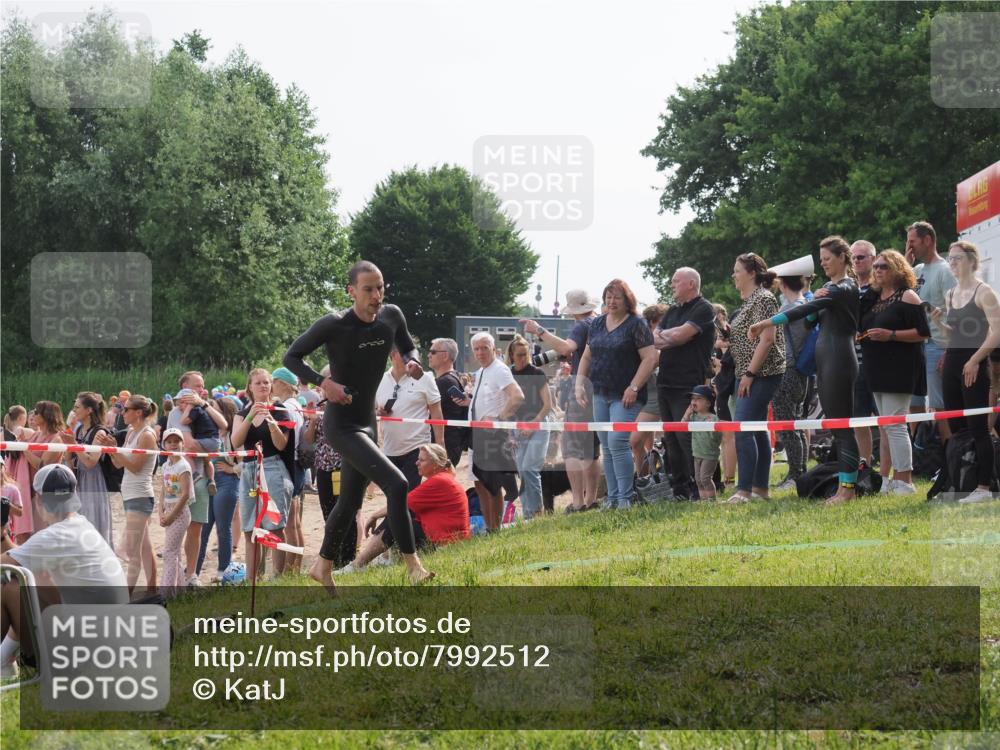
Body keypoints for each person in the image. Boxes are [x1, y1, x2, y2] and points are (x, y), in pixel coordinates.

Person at [283, 260, 434, 591]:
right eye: (368, 289)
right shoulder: (334, 324)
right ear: (352, 291)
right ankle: (414, 567)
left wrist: (413, 360)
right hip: (341, 424)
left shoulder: (391, 316)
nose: (376, 295)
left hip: (368, 422)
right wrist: (325, 383)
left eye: (380, 288)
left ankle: (322, 567)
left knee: (350, 502)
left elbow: (407, 344)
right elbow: (291, 357)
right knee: (396, 484)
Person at [750, 236, 860, 505]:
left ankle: (847, 490)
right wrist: (817, 301)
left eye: (828, 259)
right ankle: (846, 487)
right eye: (821, 260)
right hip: (824, 359)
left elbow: (805, 310)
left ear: (843, 258)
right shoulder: (828, 290)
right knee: (836, 427)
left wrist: (767, 322)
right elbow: (811, 320)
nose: (824, 265)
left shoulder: (845, 287)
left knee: (842, 427)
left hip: (839, 359)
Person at [1, 464, 128, 673]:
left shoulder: (56, 535)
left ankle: (4, 661)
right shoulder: (80, 525)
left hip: (88, 648)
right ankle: (5, 658)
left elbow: (5, 563)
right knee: (31, 580)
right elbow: (24, 562)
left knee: (10, 587)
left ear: (39, 499)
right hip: (110, 641)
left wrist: (2, 533)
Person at [576, 279, 657, 510]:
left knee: (618, 441)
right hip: (599, 392)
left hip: (626, 396)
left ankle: (626, 498)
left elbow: (650, 358)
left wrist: (633, 387)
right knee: (607, 446)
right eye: (608, 297)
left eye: (617, 297)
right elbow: (586, 356)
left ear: (627, 300)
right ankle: (612, 498)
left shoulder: (636, 324)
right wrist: (579, 384)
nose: (611, 301)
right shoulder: (598, 323)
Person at [522, 289, 602, 512]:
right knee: (592, 450)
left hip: (582, 390)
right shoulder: (599, 322)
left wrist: (538, 330)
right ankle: (591, 499)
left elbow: (567, 347)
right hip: (599, 390)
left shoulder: (582, 325)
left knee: (572, 449)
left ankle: (577, 502)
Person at [858, 250, 930, 495]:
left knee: (896, 424)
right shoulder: (874, 297)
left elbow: (923, 332)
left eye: (884, 267)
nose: (878, 270)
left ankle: (905, 480)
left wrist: (891, 335)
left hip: (899, 369)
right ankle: (892, 479)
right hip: (875, 369)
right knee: (887, 425)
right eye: (876, 266)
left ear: (898, 269)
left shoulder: (908, 296)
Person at [339, 444, 470, 573]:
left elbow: (400, 504)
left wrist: (374, 516)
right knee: (404, 517)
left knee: (396, 519)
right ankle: (384, 559)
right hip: (450, 539)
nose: (417, 463)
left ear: (435, 464)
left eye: (422, 460)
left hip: (445, 542)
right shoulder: (445, 478)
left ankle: (357, 565)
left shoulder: (439, 481)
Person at [936, 241, 1000, 503]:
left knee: (978, 427)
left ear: (972, 261)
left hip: (974, 362)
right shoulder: (951, 294)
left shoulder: (984, 292)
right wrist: (937, 322)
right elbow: (953, 335)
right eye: (949, 259)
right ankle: (963, 480)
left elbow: (997, 332)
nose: (952, 263)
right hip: (953, 361)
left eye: (957, 258)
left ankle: (985, 486)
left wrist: (975, 360)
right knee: (956, 427)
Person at [652, 268, 717, 498]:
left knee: (687, 436)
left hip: (688, 384)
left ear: (691, 284)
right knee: (670, 438)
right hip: (665, 382)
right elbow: (657, 339)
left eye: (675, 281)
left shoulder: (703, 308)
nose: (672, 285)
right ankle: (679, 488)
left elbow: (676, 337)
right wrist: (675, 336)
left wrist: (673, 336)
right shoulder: (672, 311)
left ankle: (701, 486)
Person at [728, 254, 786, 503]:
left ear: (752, 273)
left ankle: (745, 490)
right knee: (757, 429)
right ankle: (760, 489)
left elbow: (768, 338)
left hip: (762, 374)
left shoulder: (763, 298)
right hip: (751, 373)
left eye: (737, 270)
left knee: (742, 429)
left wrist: (750, 374)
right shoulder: (751, 300)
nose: (733, 275)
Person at [231, 368, 295, 580]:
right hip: (249, 470)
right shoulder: (241, 414)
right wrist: (251, 415)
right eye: (258, 383)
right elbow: (236, 442)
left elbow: (281, 445)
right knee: (250, 529)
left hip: (273, 467)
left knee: (275, 526)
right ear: (250, 386)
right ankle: (252, 580)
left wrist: (271, 421)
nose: (263, 386)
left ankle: (278, 578)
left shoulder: (280, 410)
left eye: (267, 382)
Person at [95, 394, 158, 595]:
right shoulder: (132, 432)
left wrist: (115, 449)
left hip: (140, 495)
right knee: (144, 547)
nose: (123, 412)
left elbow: (135, 467)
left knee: (132, 551)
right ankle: (152, 588)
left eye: (127, 409)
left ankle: (127, 594)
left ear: (138, 413)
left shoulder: (147, 435)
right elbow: (119, 464)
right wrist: (113, 449)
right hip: (130, 494)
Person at [464, 331, 524, 530]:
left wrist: (498, 419)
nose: (480, 353)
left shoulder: (499, 369)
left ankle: (495, 528)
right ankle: (490, 526)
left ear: (494, 350)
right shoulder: (481, 371)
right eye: (477, 349)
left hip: (492, 435)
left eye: (484, 348)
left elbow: (517, 396)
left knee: (492, 483)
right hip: (477, 434)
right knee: (479, 483)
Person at [768, 256, 815, 492]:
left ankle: (796, 475)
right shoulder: (805, 303)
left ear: (782, 284)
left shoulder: (788, 309)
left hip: (787, 371)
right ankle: (800, 472)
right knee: (795, 425)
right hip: (801, 372)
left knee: (787, 426)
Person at [907, 221, 956, 440]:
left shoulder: (945, 271)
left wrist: (950, 351)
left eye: (912, 241)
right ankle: (917, 454)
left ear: (927, 241)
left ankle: (949, 459)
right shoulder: (916, 270)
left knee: (938, 407)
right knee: (914, 404)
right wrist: (905, 265)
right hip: (916, 344)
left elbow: (957, 312)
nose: (909, 247)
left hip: (938, 345)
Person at [375, 348, 445, 490]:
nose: (412, 358)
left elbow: (436, 413)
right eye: (406, 354)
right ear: (392, 355)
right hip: (390, 448)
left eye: (414, 354)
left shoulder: (425, 378)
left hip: (417, 448)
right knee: (393, 494)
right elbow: (372, 411)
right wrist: (379, 412)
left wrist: (440, 445)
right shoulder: (380, 380)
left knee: (409, 495)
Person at [195, 396, 243, 580]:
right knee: (203, 529)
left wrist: (232, 469)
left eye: (213, 409)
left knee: (223, 528)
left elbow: (248, 461)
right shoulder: (210, 432)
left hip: (227, 483)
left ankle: (224, 572)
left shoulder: (233, 434)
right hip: (209, 482)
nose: (209, 413)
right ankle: (193, 572)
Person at [508, 334, 553, 520]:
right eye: (519, 355)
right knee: (523, 472)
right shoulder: (508, 375)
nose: (523, 358)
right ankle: (528, 515)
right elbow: (508, 405)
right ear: (511, 355)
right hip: (518, 427)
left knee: (529, 469)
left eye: (525, 354)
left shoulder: (537, 373)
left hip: (539, 424)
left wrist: (533, 426)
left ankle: (536, 512)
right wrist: (510, 433)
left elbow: (548, 405)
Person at [270, 367, 307, 573]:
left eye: (273, 381)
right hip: (298, 464)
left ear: (282, 383)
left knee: (290, 523)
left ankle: (291, 569)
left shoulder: (286, 407)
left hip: (290, 463)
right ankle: (295, 567)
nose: (271, 385)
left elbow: (286, 440)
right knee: (296, 522)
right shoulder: (296, 405)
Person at [70, 392, 114, 548]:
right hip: (80, 480)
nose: (74, 410)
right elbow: (75, 460)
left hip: (94, 482)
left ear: (89, 410)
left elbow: (91, 462)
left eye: (77, 407)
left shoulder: (99, 432)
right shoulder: (79, 429)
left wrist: (73, 445)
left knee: (93, 521)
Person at [851, 240, 879, 466]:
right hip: (854, 363)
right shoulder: (848, 289)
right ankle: (865, 466)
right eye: (853, 257)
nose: (857, 261)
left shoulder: (881, 288)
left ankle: (891, 473)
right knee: (859, 419)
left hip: (880, 362)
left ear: (873, 259)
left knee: (887, 420)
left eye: (861, 257)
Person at [632, 304, 667, 478]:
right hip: (642, 395)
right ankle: (646, 478)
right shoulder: (646, 340)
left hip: (653, 397)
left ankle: (643, 478)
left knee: (635, 440)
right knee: (645, 443)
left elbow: (652, 362)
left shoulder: (660, 344)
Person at [159, 428, 193, 597]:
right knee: (175, 552)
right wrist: (161, 512)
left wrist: (171, 516)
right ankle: (180, 591)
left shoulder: (183, 466)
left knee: (169, 553)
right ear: (164, 445)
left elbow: (185, 494)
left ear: (182, 444)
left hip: (179, 514)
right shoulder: (166, 465)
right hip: (169, 510)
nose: (173, 444)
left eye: (176, 441)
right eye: (169, 441)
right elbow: (163, 491)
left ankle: (166, 593)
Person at [428, 338, 472, 467]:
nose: (428, 355)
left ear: (445, 356)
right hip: (450, 442)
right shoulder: (452, 378)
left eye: (433, 352)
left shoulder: (445, 381)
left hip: (445, 443)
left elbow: (423, 407)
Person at [682, 385, 721, 500]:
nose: (694, 402)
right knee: (698, 480)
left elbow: (717, 436)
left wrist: (711, 428)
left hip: (709, 454)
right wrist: (686, 414)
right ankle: (703, 501)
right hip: (697, 453)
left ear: (708, 403)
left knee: (705, 478)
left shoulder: (712, 418)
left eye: (698, 399)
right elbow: (682, 427)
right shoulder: (693, 417)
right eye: (693, 399)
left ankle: (712, 501)